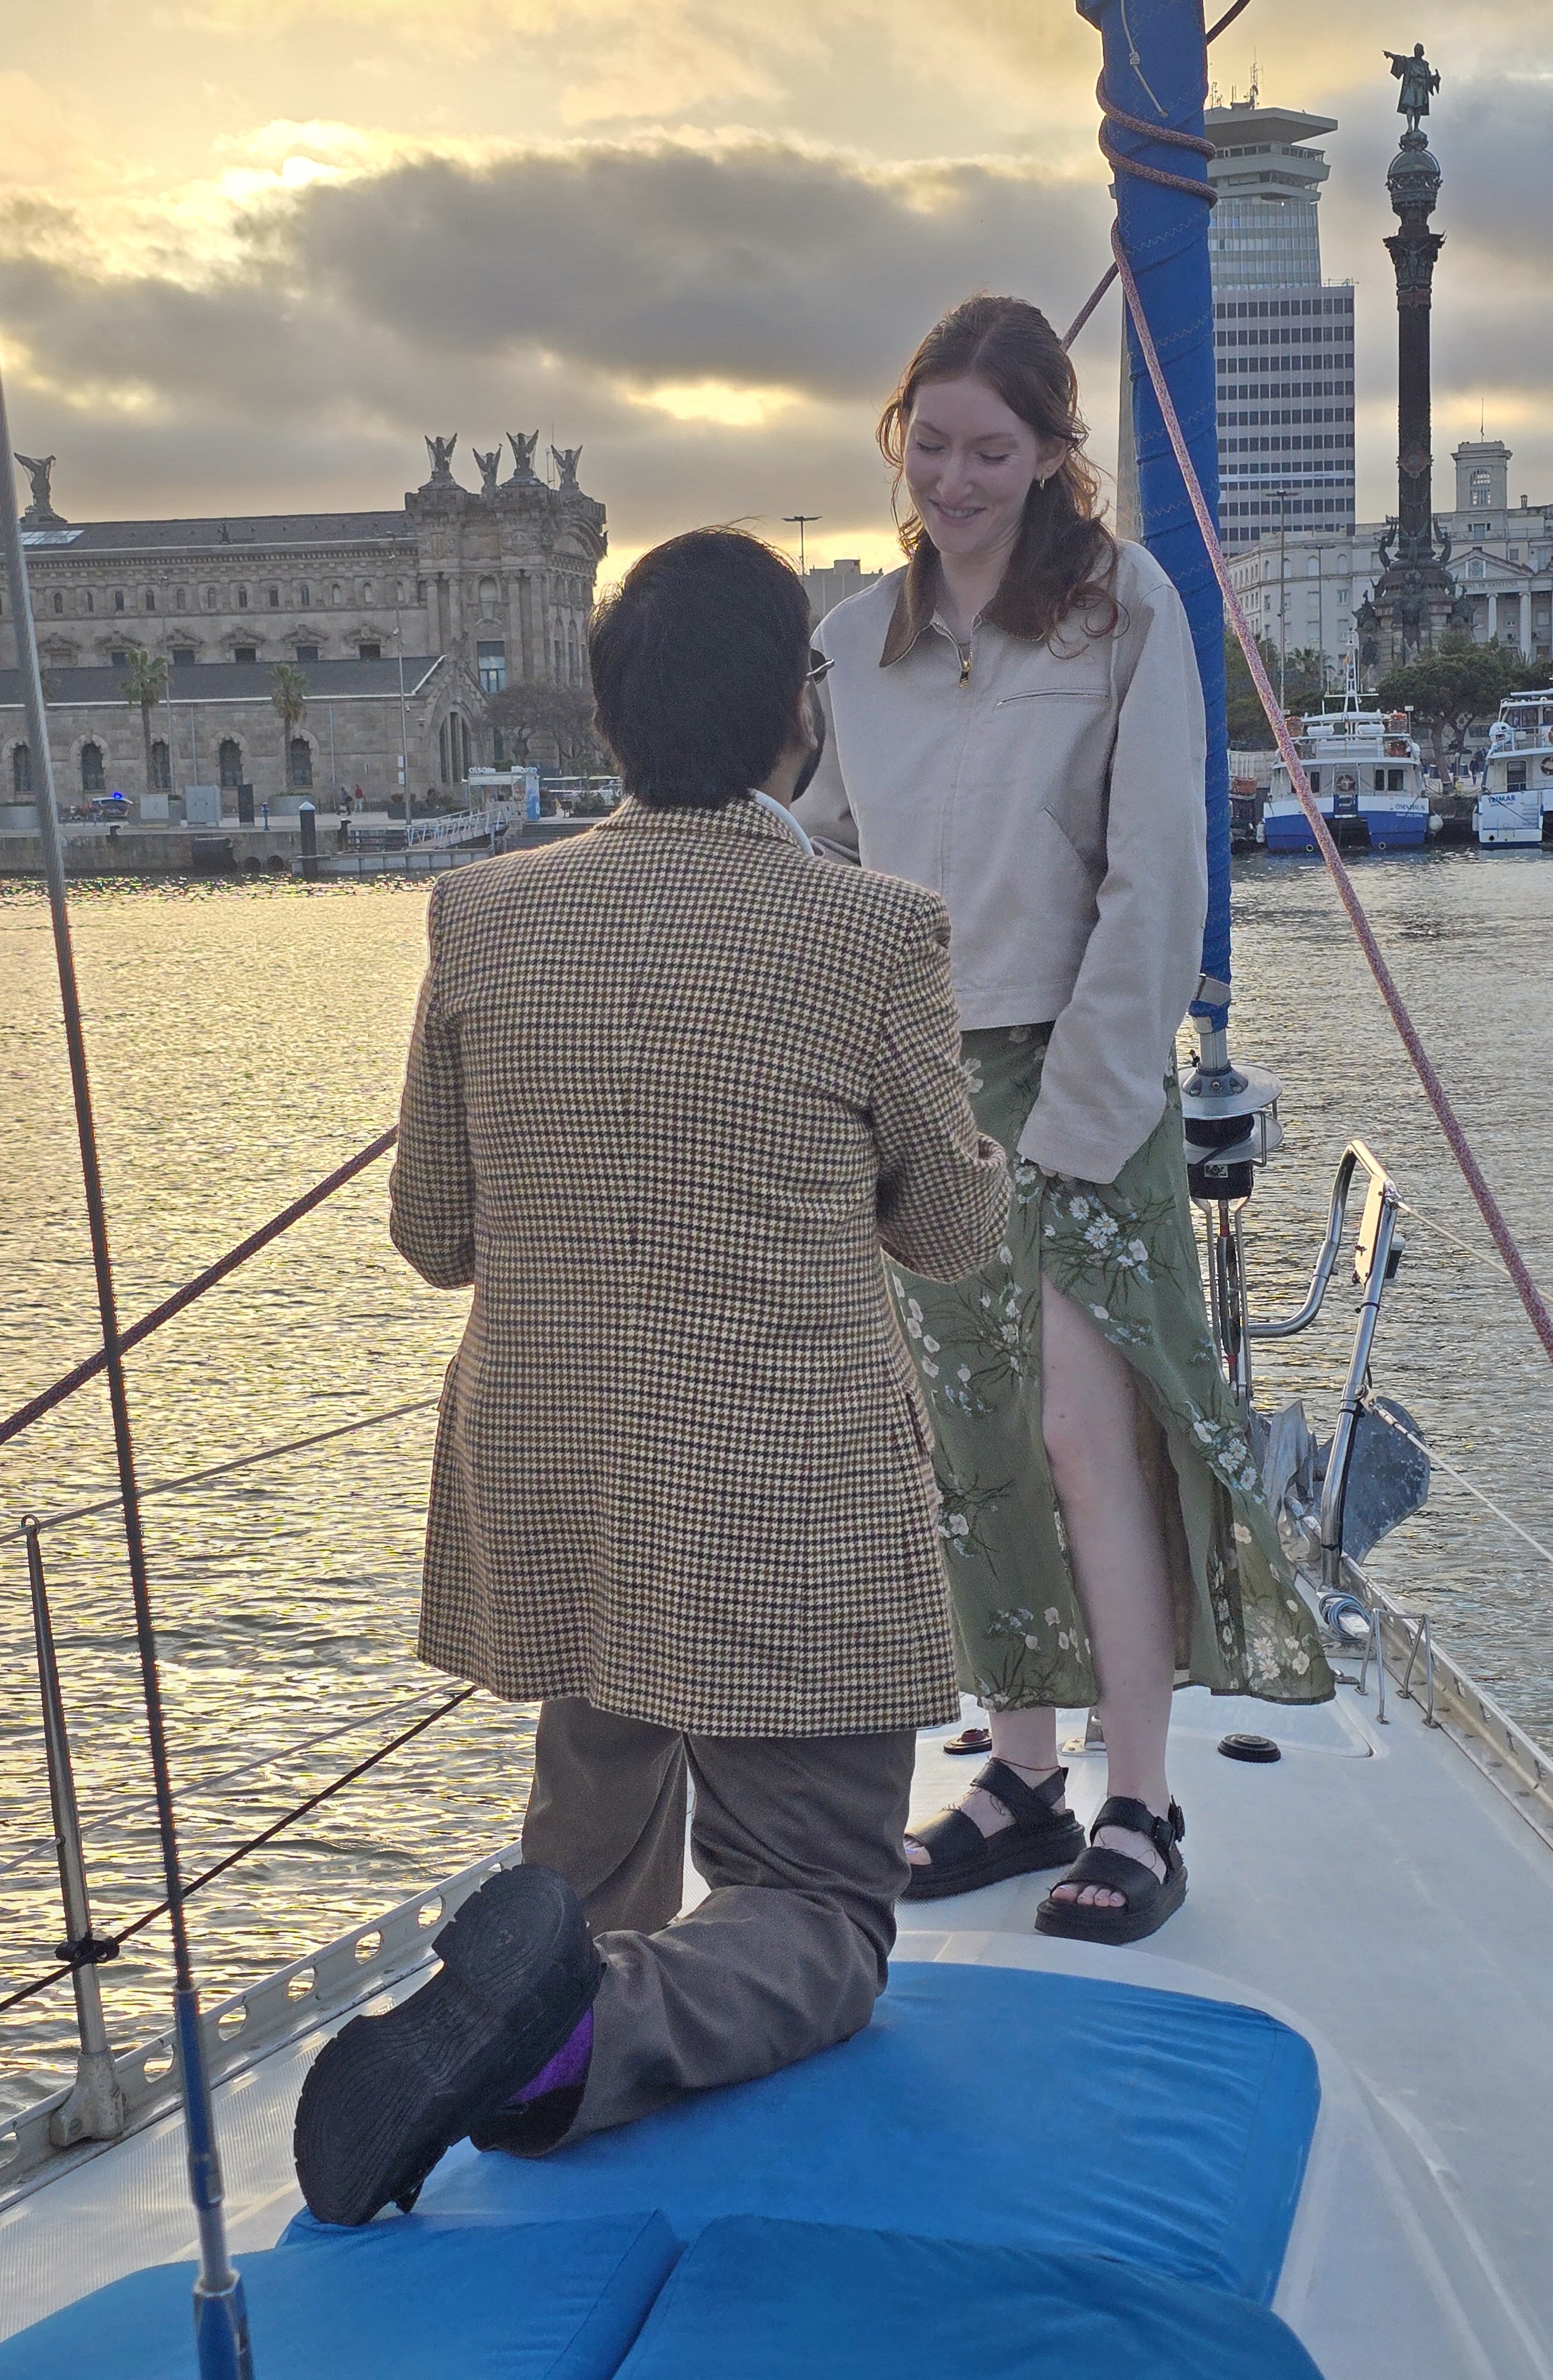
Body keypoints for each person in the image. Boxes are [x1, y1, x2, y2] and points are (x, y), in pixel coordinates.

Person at [294, 527, 1009, 2226]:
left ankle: (540, 1996)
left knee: (591, 1857)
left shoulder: (483, 912)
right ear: (797, 715)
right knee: (822, 1913)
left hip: (558, 1489)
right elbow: (958, 1228)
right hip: (786, 1510)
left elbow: (433, 1232)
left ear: (609, 725)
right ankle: (560, 2050)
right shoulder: (876, 934)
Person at [797, 295, 1330, 1949]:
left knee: (1092, 1443)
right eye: (932, 444)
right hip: (918, 1082)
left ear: (1050, 457)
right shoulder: (845, 643)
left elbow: (1158, 870)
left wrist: (1084, 1124)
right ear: (903, 439)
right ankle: (1021, 1775)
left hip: (1076, 1076)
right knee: (966, 1450)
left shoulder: (1121, 613)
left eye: (992, 450)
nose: (955, 479)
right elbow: (810, 852)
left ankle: (1142, 1800)